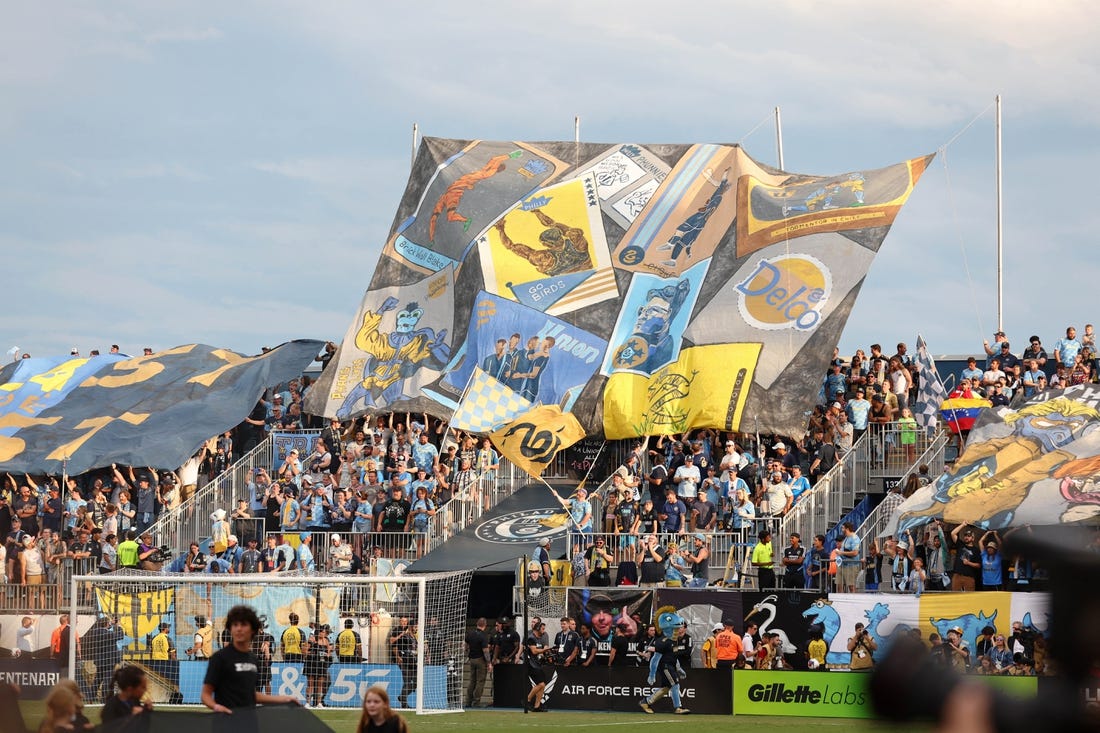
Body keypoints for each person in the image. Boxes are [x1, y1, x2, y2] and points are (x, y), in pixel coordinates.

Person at [201, 605, 298, 712]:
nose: (239, 628)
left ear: (253, 630)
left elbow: (252, 695)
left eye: (243, 624)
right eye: (235, 625)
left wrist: (284, 699)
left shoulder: (253, 659)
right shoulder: (219, 658)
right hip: (225, 721)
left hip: (249, 720)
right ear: (230, 629)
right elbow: (205, 694)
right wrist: (216, 706)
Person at [639, 612, 691, 715]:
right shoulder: (663, 641)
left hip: (670, 666)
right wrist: (652, 674)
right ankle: (678, 708)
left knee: (666, 688)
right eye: (677, 628)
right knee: (675, 685)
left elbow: (674, 656)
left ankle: (645, 702)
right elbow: (655, 659)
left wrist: (679, 669)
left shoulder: (674, 640)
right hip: (665, 667)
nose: (680, 629)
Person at [523, 621, 550, 712]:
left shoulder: (539, 638)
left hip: (536, 664)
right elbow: (534, 651)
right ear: (537, 628)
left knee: (543, 685)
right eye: (542, 628)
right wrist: (544, 649)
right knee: (541, 684)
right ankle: (527, 699)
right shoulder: (531, 638)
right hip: (531, 664)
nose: (544, 631)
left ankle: (537, 706)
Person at [464, 617, 490, 708]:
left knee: (472, 681)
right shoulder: (483, 636)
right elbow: (486, 651)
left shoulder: (470, 633)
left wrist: (468, 653)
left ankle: (468, 701)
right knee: (480, 681)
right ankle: (476, 702)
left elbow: (465, 645)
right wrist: (489, 663)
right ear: (485, 626)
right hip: (480, 659)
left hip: (472, 659)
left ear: (477, 624)